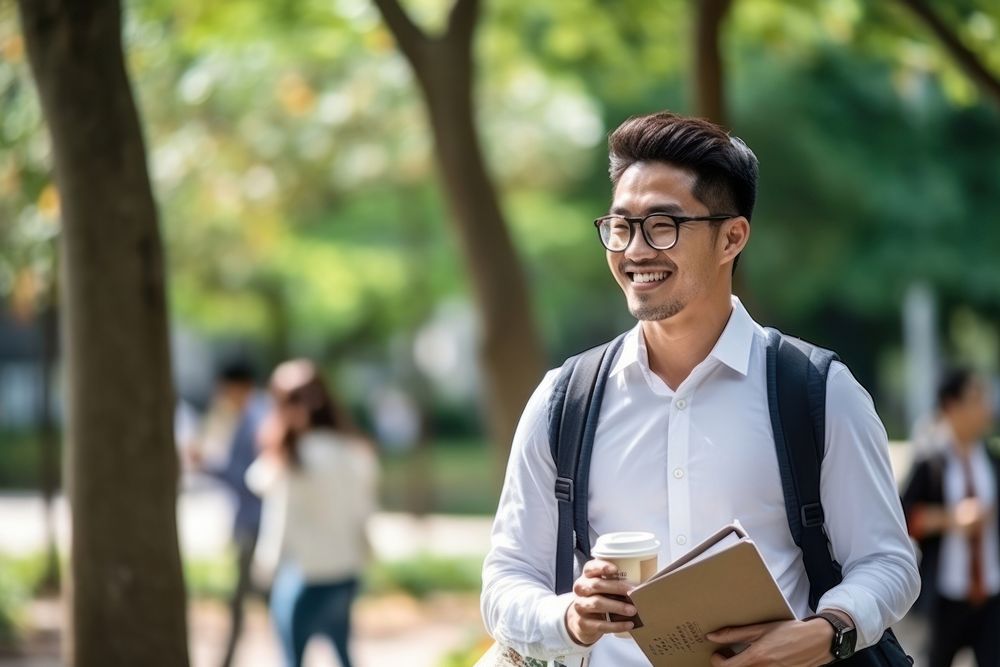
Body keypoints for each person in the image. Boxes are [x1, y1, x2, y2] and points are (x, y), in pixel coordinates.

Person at [480, 111, 920, 666]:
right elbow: (506, 579)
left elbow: (888, 563)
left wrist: (825, 632)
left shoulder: (816, 391)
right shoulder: (564, 400)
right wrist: (568, 618)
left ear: (731, 237)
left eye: (662, 225)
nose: (635, 250)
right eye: (621, 226)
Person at [246, 359, 378, 667]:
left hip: (305, 574)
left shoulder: (293, 459)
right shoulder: (353, 450)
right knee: (342, 651)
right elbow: (364, 510)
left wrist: (265, 568)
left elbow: (277, 516)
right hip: (345, 570)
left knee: (293, 657)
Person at [901, 368, 999, 667]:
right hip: (946, 595)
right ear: (951, 406)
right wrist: (951, 519)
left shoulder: (991, 460)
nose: (985, 408)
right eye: (975, 399)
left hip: (992, 594)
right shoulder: (931, 461)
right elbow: (904, 518)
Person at [196, 360, 270, 667]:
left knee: (249, 596)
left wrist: (208, 466)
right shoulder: (248, 416)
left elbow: (251, 479)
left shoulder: (256, 420)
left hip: (258, 522)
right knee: (255, 597)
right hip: (253, 520)